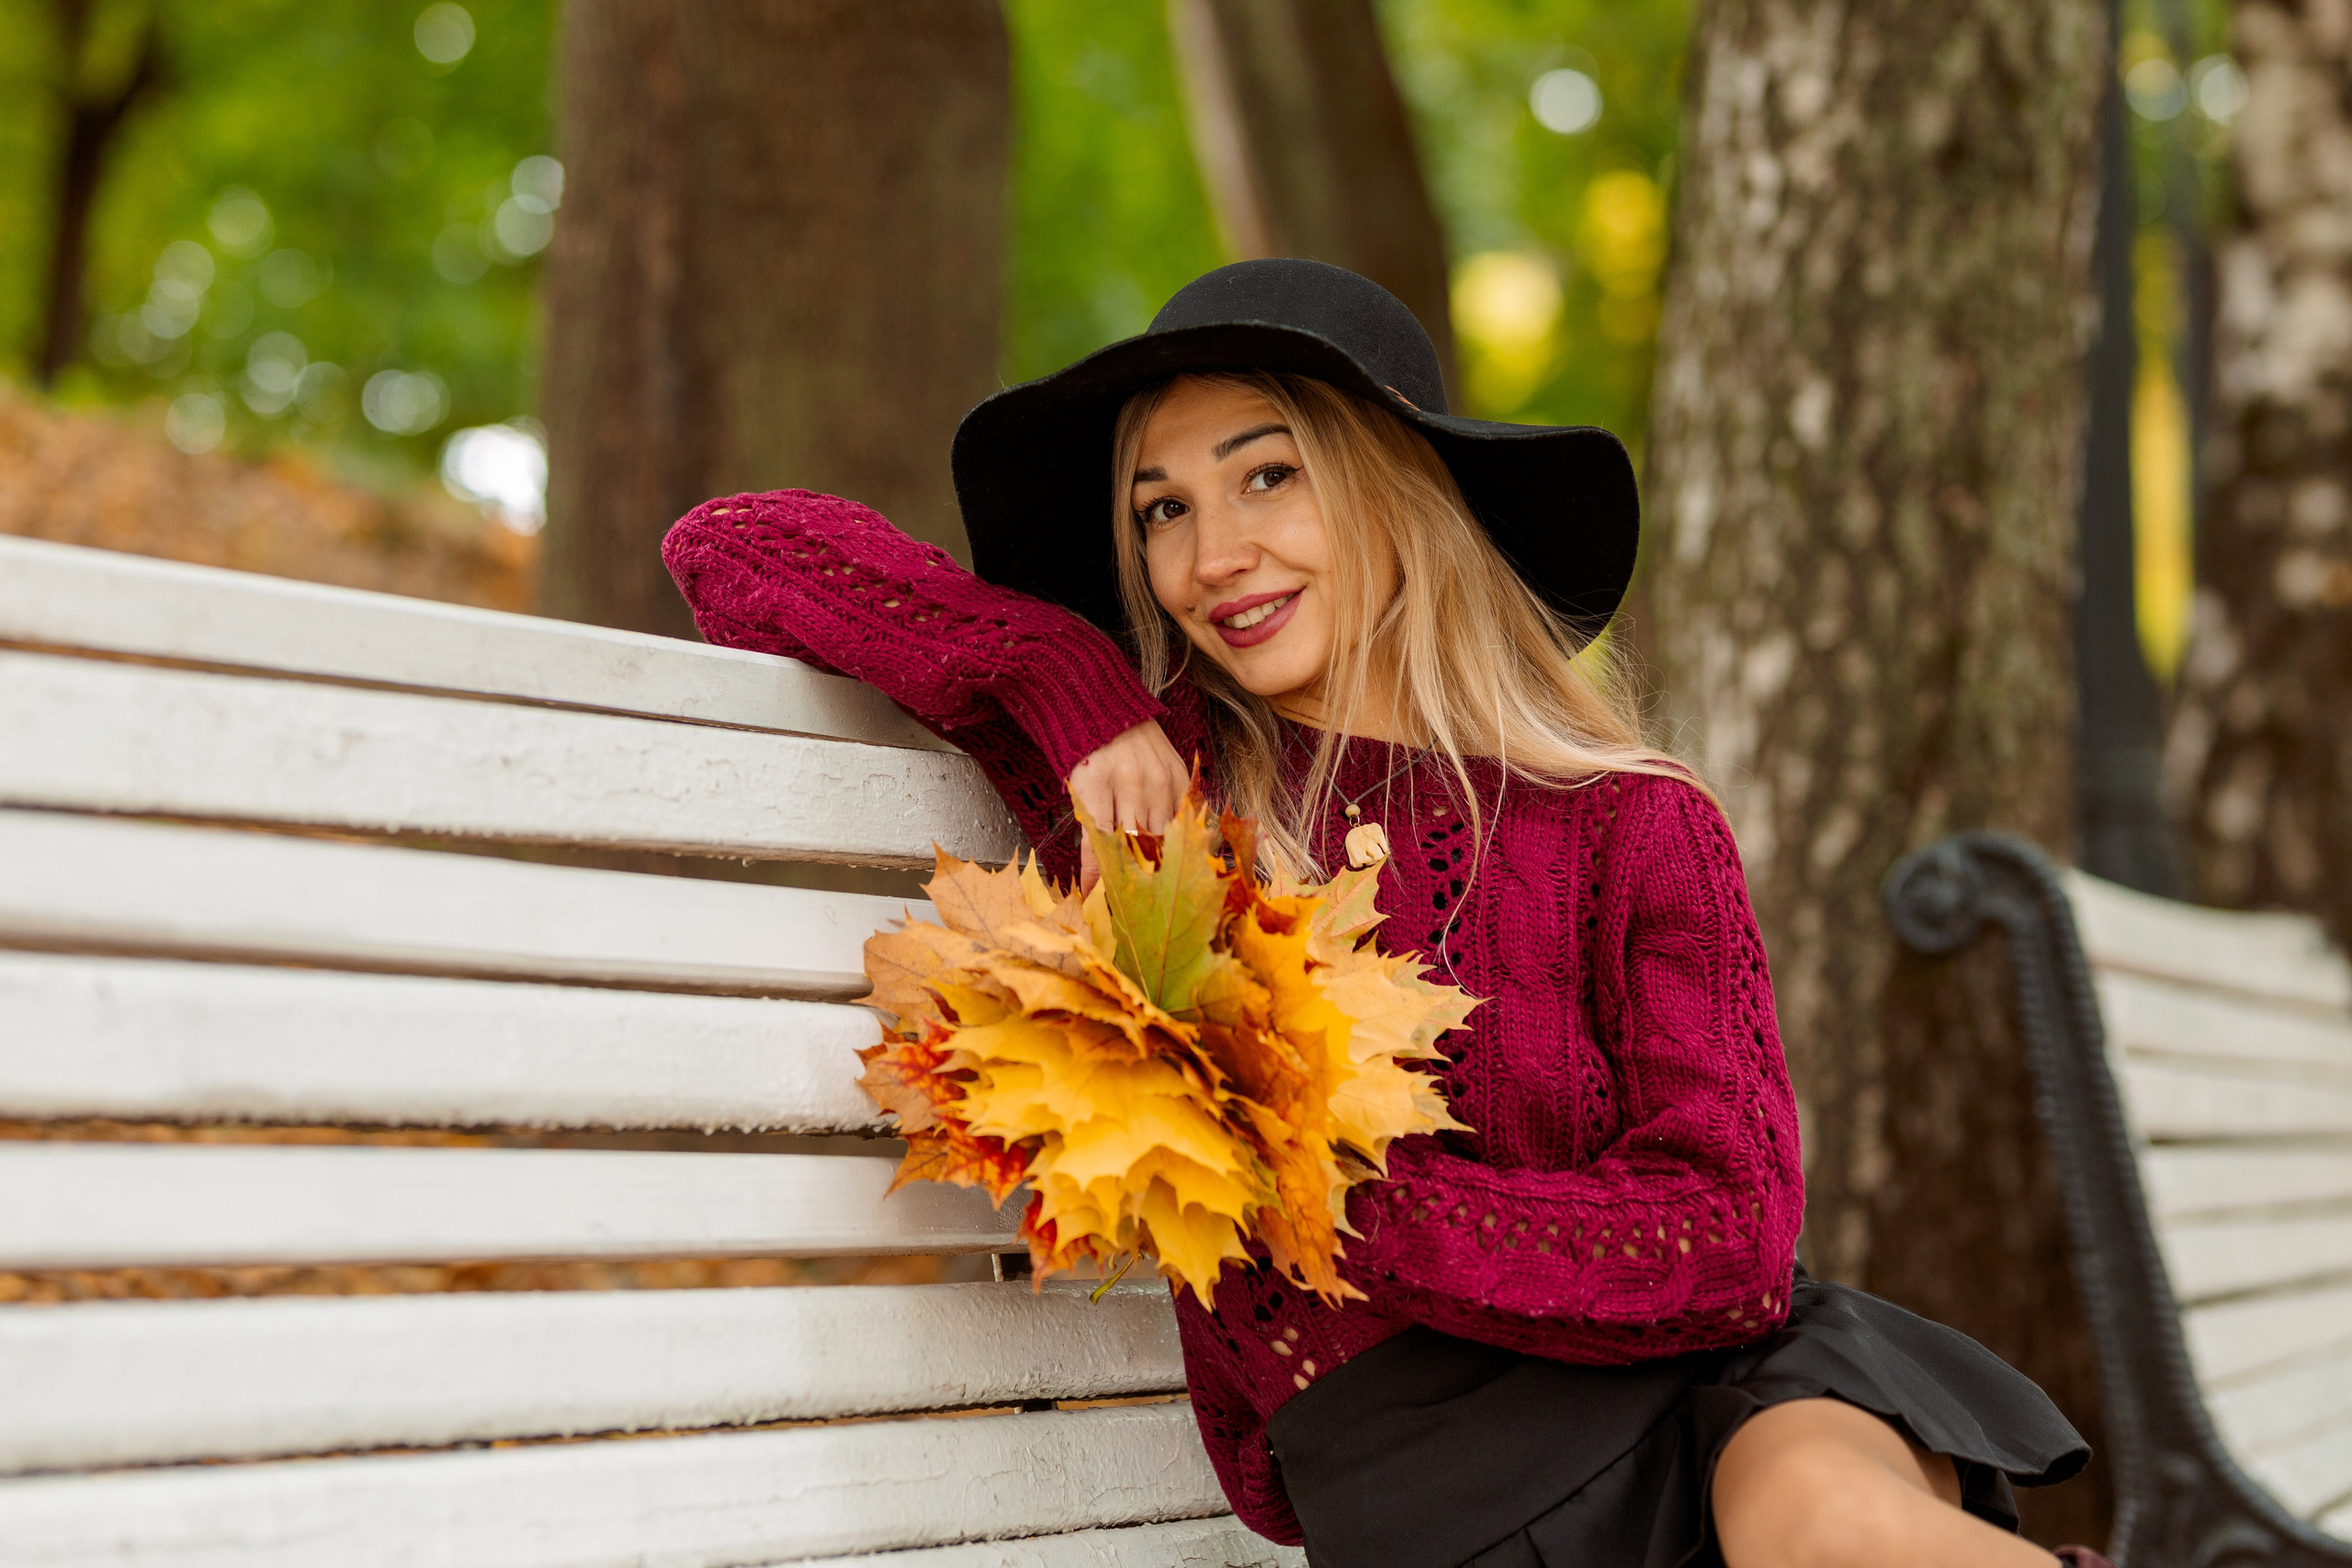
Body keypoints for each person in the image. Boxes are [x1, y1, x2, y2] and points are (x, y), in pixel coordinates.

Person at [662, 258, 2101, 1568]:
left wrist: (1318, 1199)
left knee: (1830, 1522)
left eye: (1268, 477)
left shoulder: (1630, 823)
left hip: (1732, 1397)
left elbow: (1726, 1239)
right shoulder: (1157, 806)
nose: (1212, 553)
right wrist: (1065, 683)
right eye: (1163, 509)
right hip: (1444, 1500)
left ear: (1400, 491)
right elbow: (734, 546)